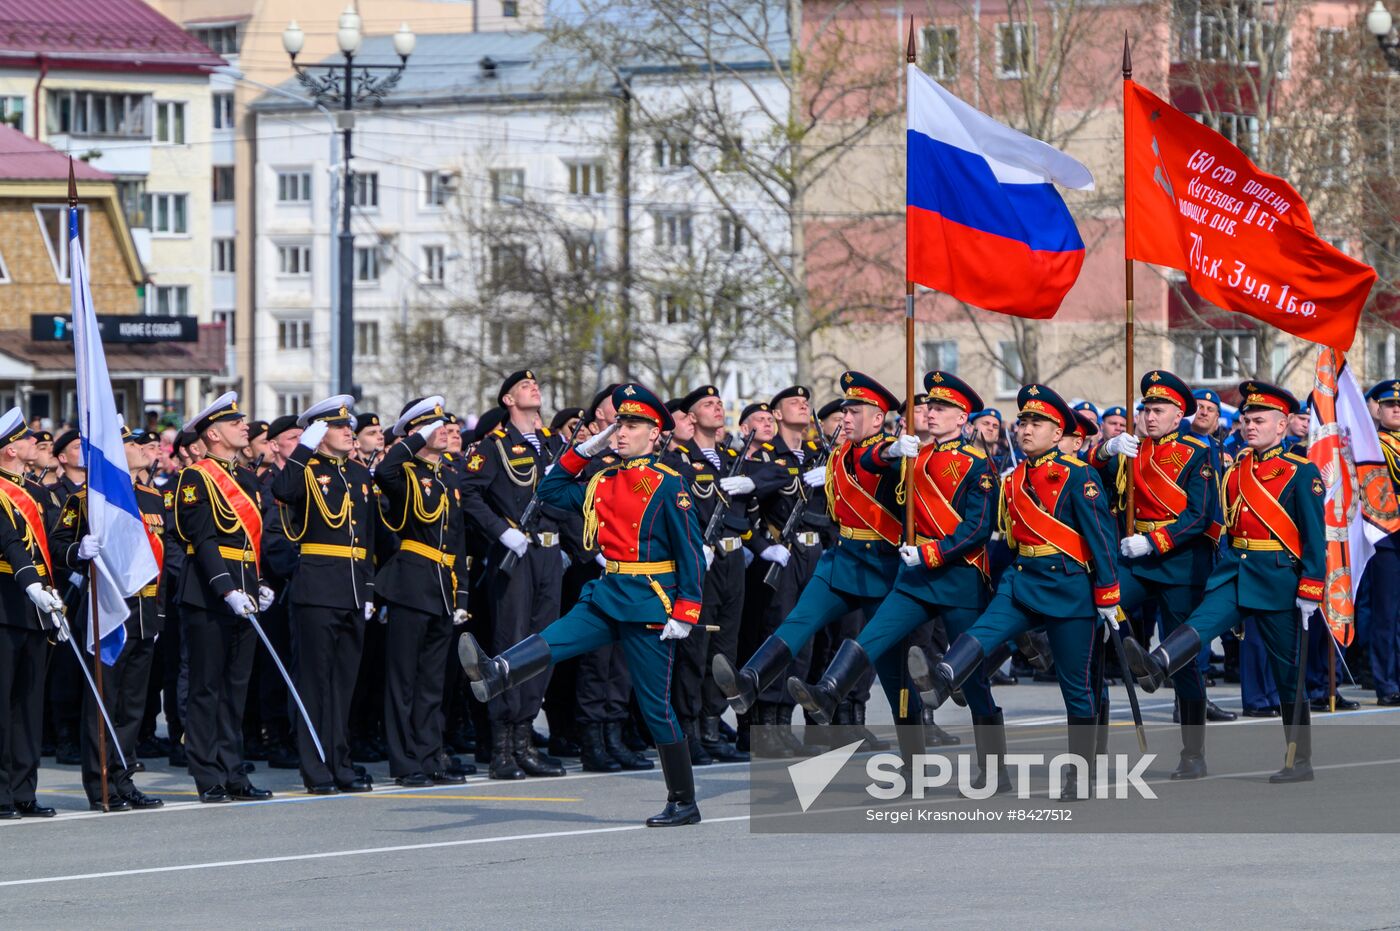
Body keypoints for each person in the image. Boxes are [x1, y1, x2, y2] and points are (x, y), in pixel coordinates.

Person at [458, 383, 706, 826]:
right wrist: (580, 451)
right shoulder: (604, 478)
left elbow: (689, 550)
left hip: (650, 602)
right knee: (556, 638)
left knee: (655, 707)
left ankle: (683, 801)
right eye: (617, 424)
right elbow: (551, 492)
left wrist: (686, 611)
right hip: (608, 593)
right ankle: (498, 672)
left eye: (630, 425)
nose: (620, 432)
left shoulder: (670, 484)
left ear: (655, 434)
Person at [790, 372, 1001, 786]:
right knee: (874, 635)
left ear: (962, 419)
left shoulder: (978, 465)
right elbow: (871, 461)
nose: (931, 413)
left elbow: (976, 528)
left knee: (973, 682)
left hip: (958, 578)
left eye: (941, 408)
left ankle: (993, 769)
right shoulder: (911, 456)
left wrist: (930, 551)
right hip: (915, 577)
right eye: (928, 407)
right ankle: (829, 691)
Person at [908, 384, 1120, 797]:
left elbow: (1101, 539)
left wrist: (1109, 594)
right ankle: (943, 675)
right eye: (1022, 421)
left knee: (1075, 687)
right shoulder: (1015, 476)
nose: (1025, 429)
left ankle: (1080, 771)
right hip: (1022, 579)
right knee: (981, 632)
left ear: (1058, 433)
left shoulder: (1080, 475)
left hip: (1068, 585)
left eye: (1036, 422)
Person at [713, 372, 926, 764]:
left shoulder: (891, 454)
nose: (845, 416)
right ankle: (749, 682)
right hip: (841, 559)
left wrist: (898, 454)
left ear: (878, 419)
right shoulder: (842, 452)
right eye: (844, 409)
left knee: (894, 673)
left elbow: (872, 462)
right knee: (797, 622)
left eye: (855, 410)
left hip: (881, 567)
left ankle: (914, 758)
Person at [1122, 381, 1325, 783]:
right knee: (1199, 626)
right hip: (1235, 570)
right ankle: (1158, 664)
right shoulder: (1235, 470)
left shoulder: (1302, 472)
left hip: (1278, 578)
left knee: (1287, 673)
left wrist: (1311, 587)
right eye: (1246, 419)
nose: (1250, 426)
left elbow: (1314, 536)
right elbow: (1223, 526)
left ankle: (1299, 759)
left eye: (1259, 420)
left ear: (1282, 424)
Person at [1088, 371, 1222, 778]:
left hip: (1178, 562)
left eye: (1158, 410)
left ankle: (1193, 752)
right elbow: (1091, 474)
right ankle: (1094, 743)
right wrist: (1107, 450)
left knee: (1183, 659)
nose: (1149, 416)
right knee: (1093, 622)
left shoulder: (1198, 451)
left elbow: (1200, 515)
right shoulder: (1133, 448)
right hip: (1136, 560)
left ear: (1179, 414)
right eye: (1145, 408)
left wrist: (1156, 541)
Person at [51, 422, 173, 811]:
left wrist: (159, 614)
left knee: (132, 705)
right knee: (103, 702)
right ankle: (100, 783)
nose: (144, 449)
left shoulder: (154, 499)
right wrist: (78, 551)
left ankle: (124, 779)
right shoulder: (90, 498)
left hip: (144, 610)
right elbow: (59, 544)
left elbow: (162, 562)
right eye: (134, 444)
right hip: (108, 609)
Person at [460, 370, 569, 779]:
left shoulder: (554, 446)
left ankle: (525, 740)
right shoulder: (492, 447)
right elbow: (468, 493)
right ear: (508, 400)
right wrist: (502, 531)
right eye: (525, 386)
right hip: (516, 554)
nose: (534, 388)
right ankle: (502, 748)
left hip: (549, 553)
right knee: (511, 644)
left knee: (543, 645)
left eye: (536, 385)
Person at [665, 385, 778, 764]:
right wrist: (694, 545)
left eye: (718, 403)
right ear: (692, 417)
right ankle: (689, 728)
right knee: (695, 647)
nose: (717, 408)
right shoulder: (680, 458)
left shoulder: (732, 456)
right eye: (708, 405)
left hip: (732, 562)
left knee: (724, 650)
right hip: (701, 561)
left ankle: (713, 724)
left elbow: (781, 472)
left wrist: (753, 482)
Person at [271, 396, 379, 794]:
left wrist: (367, 588)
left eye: (349, 425)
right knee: (314, 684)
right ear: (319, 433)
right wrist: (302, 448)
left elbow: (366, 537)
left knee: (343, 685)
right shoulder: (306, 469)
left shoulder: (357, 473)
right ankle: (315, 767)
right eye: (339, 426)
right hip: (317, 587)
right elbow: (282, 490)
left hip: (352, 588)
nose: (349, 431)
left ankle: (340, 762)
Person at [172, 392, 275, 804]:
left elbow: (249, 542)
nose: (244, 427)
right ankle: (207, 774)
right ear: (213, 434)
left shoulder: (246, 479)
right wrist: (228, 588)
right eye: (235, 423)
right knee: (206, 688)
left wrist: (257, 582)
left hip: (244, 590)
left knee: (236, 688)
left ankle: (235, 773)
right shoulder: (196, 476)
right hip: (209, 593)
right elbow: (202, 537)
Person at [373, 397, 471, 788]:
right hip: (410, 583)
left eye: (446, 425)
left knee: (433, 681)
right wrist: (413, 440)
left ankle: (431, 756)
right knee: (403, 681)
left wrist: (462, 596)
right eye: (436, 426)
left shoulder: (448, 477)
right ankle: (405, 761)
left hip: (442, 587)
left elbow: (458, 543)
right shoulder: (405, 473)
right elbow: (384, 470)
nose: (446, 431)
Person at [0, 408, 67, 819]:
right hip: (6, 602)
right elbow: (8, 540)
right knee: (3, 704)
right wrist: (32, 585)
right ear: (9, 448)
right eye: (27, 439)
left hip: (38, 606)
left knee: (28, 705)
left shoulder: (37, 494)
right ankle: (2, 793)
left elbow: (52, 547)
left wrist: (78, 552)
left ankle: (25, 790)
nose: (36, 444)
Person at [1359, 379, 1400, 705]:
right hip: (1387, 537)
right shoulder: (1373, 446)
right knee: (1386, 614)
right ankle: (1386, 682)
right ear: (1378, 409)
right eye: (1389, 405)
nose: (1396, 409)